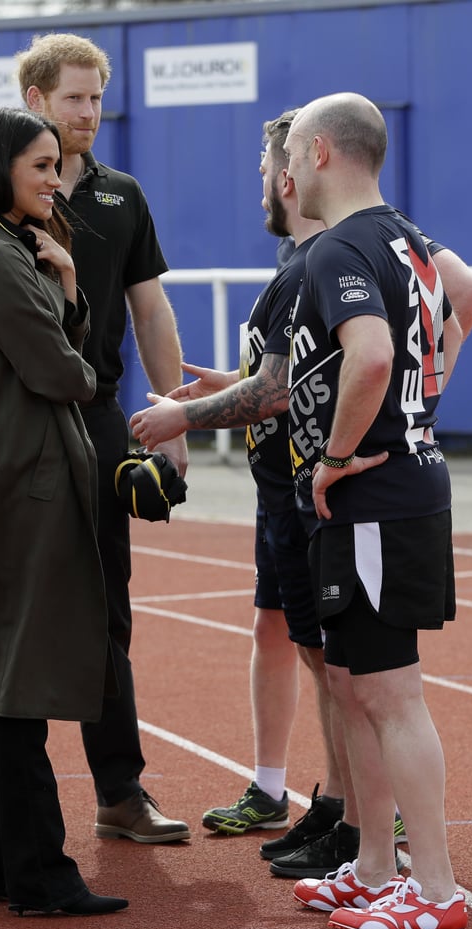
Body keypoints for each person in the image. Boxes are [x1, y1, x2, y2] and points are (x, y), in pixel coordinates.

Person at [130, 109, 346, 850]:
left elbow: (278, 393)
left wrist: (187, 420)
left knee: (337, 660)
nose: (259, 183)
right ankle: (283, 788)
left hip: (308, 490)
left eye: (263, 170)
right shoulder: (297, 261)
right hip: (275, 484)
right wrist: (233, 386)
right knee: (289, 635)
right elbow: (278, 382)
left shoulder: (332, 255)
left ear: (291, 173)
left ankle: (357, 805)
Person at [281, 92, 468, 929]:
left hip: (374, 501)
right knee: (356, 687)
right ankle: (373, 867)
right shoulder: (411, 240)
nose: (283, 172)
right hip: (399, 490)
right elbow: (470, 298)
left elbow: (372, 352)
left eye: (288, 154)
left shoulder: (339, 249)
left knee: (389, 694)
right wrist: (421, 406)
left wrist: (336, 453)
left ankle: (433, 891)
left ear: (319, 152)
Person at [0, 105, 127, 917]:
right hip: (20, 487)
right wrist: (73, 321)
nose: (56, 179)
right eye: (40, 166)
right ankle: (39, 874)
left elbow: (56, 348)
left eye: (57, 165)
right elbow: (62, 372)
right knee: (20, 678)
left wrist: (70, 283)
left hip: (6, 482)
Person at [16, 33, 190, 843]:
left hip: (100, 419)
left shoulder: (121, 195)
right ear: (36, 101)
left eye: (96, 98)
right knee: (17, 609)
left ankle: (120, 792)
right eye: (74, 98)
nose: (89, 112)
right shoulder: (1, 193)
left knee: (106, 609)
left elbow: (150, 309)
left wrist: (172, 411)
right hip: (17, 423)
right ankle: (10, 812)